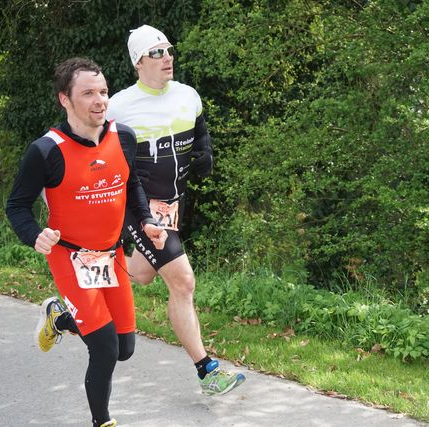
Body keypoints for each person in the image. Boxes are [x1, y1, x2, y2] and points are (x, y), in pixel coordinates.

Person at [6, 57, 167, 427]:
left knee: (124, 347)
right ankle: (102, 422)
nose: (100, 101)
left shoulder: (123, 137)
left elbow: (130, 183)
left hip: (111, 255)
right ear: (65, 99)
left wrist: (146, 219)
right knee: (105, 348)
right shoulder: (46, 151)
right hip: (70, 256)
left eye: (104, 92)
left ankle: (60, 318)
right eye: (89, 93)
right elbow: (16, 206)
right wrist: (35, 235)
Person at [107, 25, 245, 396]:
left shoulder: (187, 96)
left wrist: (205, 153)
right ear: (138, 62)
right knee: (183, 282)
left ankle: (78, 292)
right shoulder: (119, 107)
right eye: (156, 52)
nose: (167, 57)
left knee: (141, 274)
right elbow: (94, 151)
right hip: (138, 206)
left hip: (171, 205)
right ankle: (207, 372)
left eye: (168, 50)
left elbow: (200, 133)